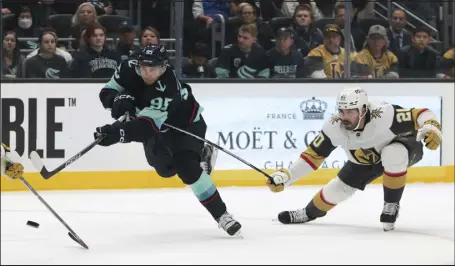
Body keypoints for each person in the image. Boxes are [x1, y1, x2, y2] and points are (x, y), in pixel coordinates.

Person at [93, 44, 241, 236]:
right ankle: (201, 157)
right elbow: (106, 92)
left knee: (187, 169)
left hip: (185, 125)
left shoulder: (167, 87)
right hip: (156, 125)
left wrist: (117, 133)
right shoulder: (127, 67)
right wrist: (117, 99)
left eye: (152, 68)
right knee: (164, 170)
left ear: (163, 67)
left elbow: (145, 128)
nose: (146, 72)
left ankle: (222, 215)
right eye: (143, 67)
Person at [266, 87, 442, 231]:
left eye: (350, 111)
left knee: (392, 153)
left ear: (364, 110)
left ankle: (391, 204)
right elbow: (312, 157)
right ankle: (308, 212)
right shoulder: (334, 126)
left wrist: (432, 128)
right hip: (364, 160)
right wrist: (287, 176)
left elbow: (421, 113)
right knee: (336, 190)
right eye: (341, 110)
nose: (344, 116)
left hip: (404, 146)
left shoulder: (384, 114)